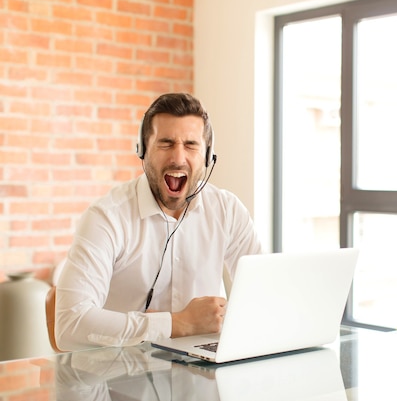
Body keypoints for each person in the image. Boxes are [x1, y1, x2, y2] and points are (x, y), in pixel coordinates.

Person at [55, 93, 262, 351]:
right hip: (119, 379)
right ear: (143, 150)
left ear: (208, 156)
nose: (178, 157)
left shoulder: (227, 211)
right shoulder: (106, 217)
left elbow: (263, 297)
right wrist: (177, 324)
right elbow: (69, 325)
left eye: (190, 145)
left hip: (203, 377)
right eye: (165, 143)